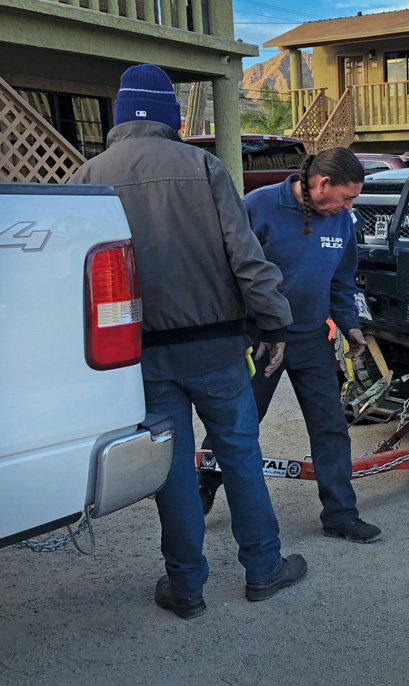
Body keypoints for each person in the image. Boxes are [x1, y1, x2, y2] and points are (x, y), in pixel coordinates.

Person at [70, 64, 307, 619]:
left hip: (140, 360)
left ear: (120, 116)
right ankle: (264, 568)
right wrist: (274, 324)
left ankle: (186, 588)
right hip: (218, 350)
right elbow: (246, 258)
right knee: (240, 454)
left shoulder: (86, 178)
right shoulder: (203, 167)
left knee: (170, 470)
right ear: (173, 116)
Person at [199, 147, 382, 543]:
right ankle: (202, 489)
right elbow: (229, 273)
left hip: (311, 338)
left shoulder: (341, 222)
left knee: (331, 426)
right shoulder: (258, 207)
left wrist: (350, 326)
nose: (350, 206)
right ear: (322, 184)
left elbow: (341, 280)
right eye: (347, 197)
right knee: (238, 422)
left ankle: (340, 514)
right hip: (259, 339)